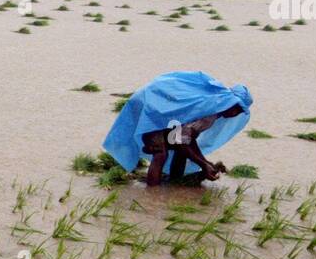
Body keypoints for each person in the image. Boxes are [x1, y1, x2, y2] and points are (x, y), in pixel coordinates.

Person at [101, 72, 253, 187]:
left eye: (240, 111)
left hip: (159, 111)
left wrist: (203, 163)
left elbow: (186, 139)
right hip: (151, 111)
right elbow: (182, 140)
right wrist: (204, 164)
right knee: (160, 153)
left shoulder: (213, 108)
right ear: (231, 103)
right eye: (237, 108)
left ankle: (174, 183)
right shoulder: (208, 111)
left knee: (182, 151)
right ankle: (152, 194)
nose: (236, 113)